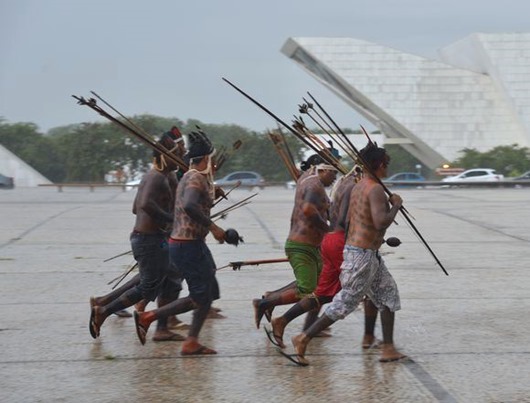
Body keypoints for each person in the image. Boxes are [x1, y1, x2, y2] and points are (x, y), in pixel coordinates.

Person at [287, 143, 407, 365]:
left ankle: (388, 347)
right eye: (386, 164)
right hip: (360, 256)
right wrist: (396, 206)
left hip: (366, 253)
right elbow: (381, 221)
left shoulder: (359, 185)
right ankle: (304, 337)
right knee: (345, 301)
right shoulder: (375, 188)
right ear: (380, 165)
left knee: (389, 296)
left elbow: (361, 221)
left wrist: (378, 239)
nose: (387, 168)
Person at [133, 130, 232, 355]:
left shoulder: (189, 176)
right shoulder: (195, 177)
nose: (213, 161)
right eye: (211, 157)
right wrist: (215, 228)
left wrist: (212, 196)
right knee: (200, 296)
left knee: (204, 295)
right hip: (187, 245)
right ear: (206, 158)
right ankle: (150, 317)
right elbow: (188, 206)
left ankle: (190, 341)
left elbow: (194, 202)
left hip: (189, 243)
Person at [89, 129, 184, 341]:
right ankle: (103, 310)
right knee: (148, 285)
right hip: (147, 240)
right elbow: (143, 205)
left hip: (154, 239)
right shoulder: (156, 177)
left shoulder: (166, 176)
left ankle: (160, 326)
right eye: (179, 152)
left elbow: (136, 208)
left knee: (172, 277)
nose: (182, 157)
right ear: (167, 154)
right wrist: (170, 219)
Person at [252, 154, 337, 330]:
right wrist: (328, 229)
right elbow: (308, 209)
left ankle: (271, 297)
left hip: (310, 245)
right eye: (333, 172)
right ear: (322, 169)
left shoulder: (305, 179)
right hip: (302, 245)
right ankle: (264, 304)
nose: (335, 177)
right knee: (307, 290)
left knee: (319, 286)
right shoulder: (315, 185)